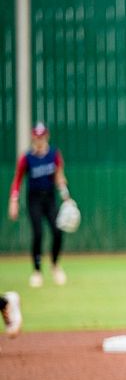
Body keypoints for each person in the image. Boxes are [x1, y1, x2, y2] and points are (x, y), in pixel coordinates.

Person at [8, 122, 72, 287]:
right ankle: (37, 271)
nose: (39, 140)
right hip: (34, 199)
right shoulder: (27, 158)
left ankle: (55, 265)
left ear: (46, 136)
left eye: (42, 136)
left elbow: (59, 176)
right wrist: (13, 201)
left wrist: (65, 195)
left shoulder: (54, 154)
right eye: (36, 137)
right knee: (38, 234)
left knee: (57, 231)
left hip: (50, 198)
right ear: (33, 137)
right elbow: (17, 180)